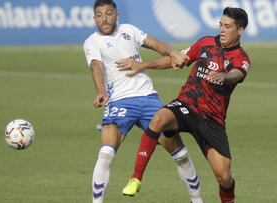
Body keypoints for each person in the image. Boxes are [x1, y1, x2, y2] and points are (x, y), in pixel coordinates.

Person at [119, 7, 251, 203]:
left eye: (228, 26)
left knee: (224, 178)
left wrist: (224, 76)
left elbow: (237, 74)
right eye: (221, 25)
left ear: (240, 30)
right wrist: (143, 64)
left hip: (211, 120)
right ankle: (136, 178)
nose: (222, 30)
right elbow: (178, 59)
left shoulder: (242, 58)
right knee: (159, 118)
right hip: (186, 105)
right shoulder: (205, 43)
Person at [83, 0, 203, 202]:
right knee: (105, 153)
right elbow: (95, 66)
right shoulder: (92, 42)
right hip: (120, 102)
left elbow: (155, 44)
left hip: (148, 98)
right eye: (100, 14)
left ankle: (198, 200)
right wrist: (101, 91)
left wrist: (172, 52)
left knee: (180, 154)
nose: (104, 18)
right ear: (94, 18)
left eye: (109, 13)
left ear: (117, 15)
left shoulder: (129, 30)